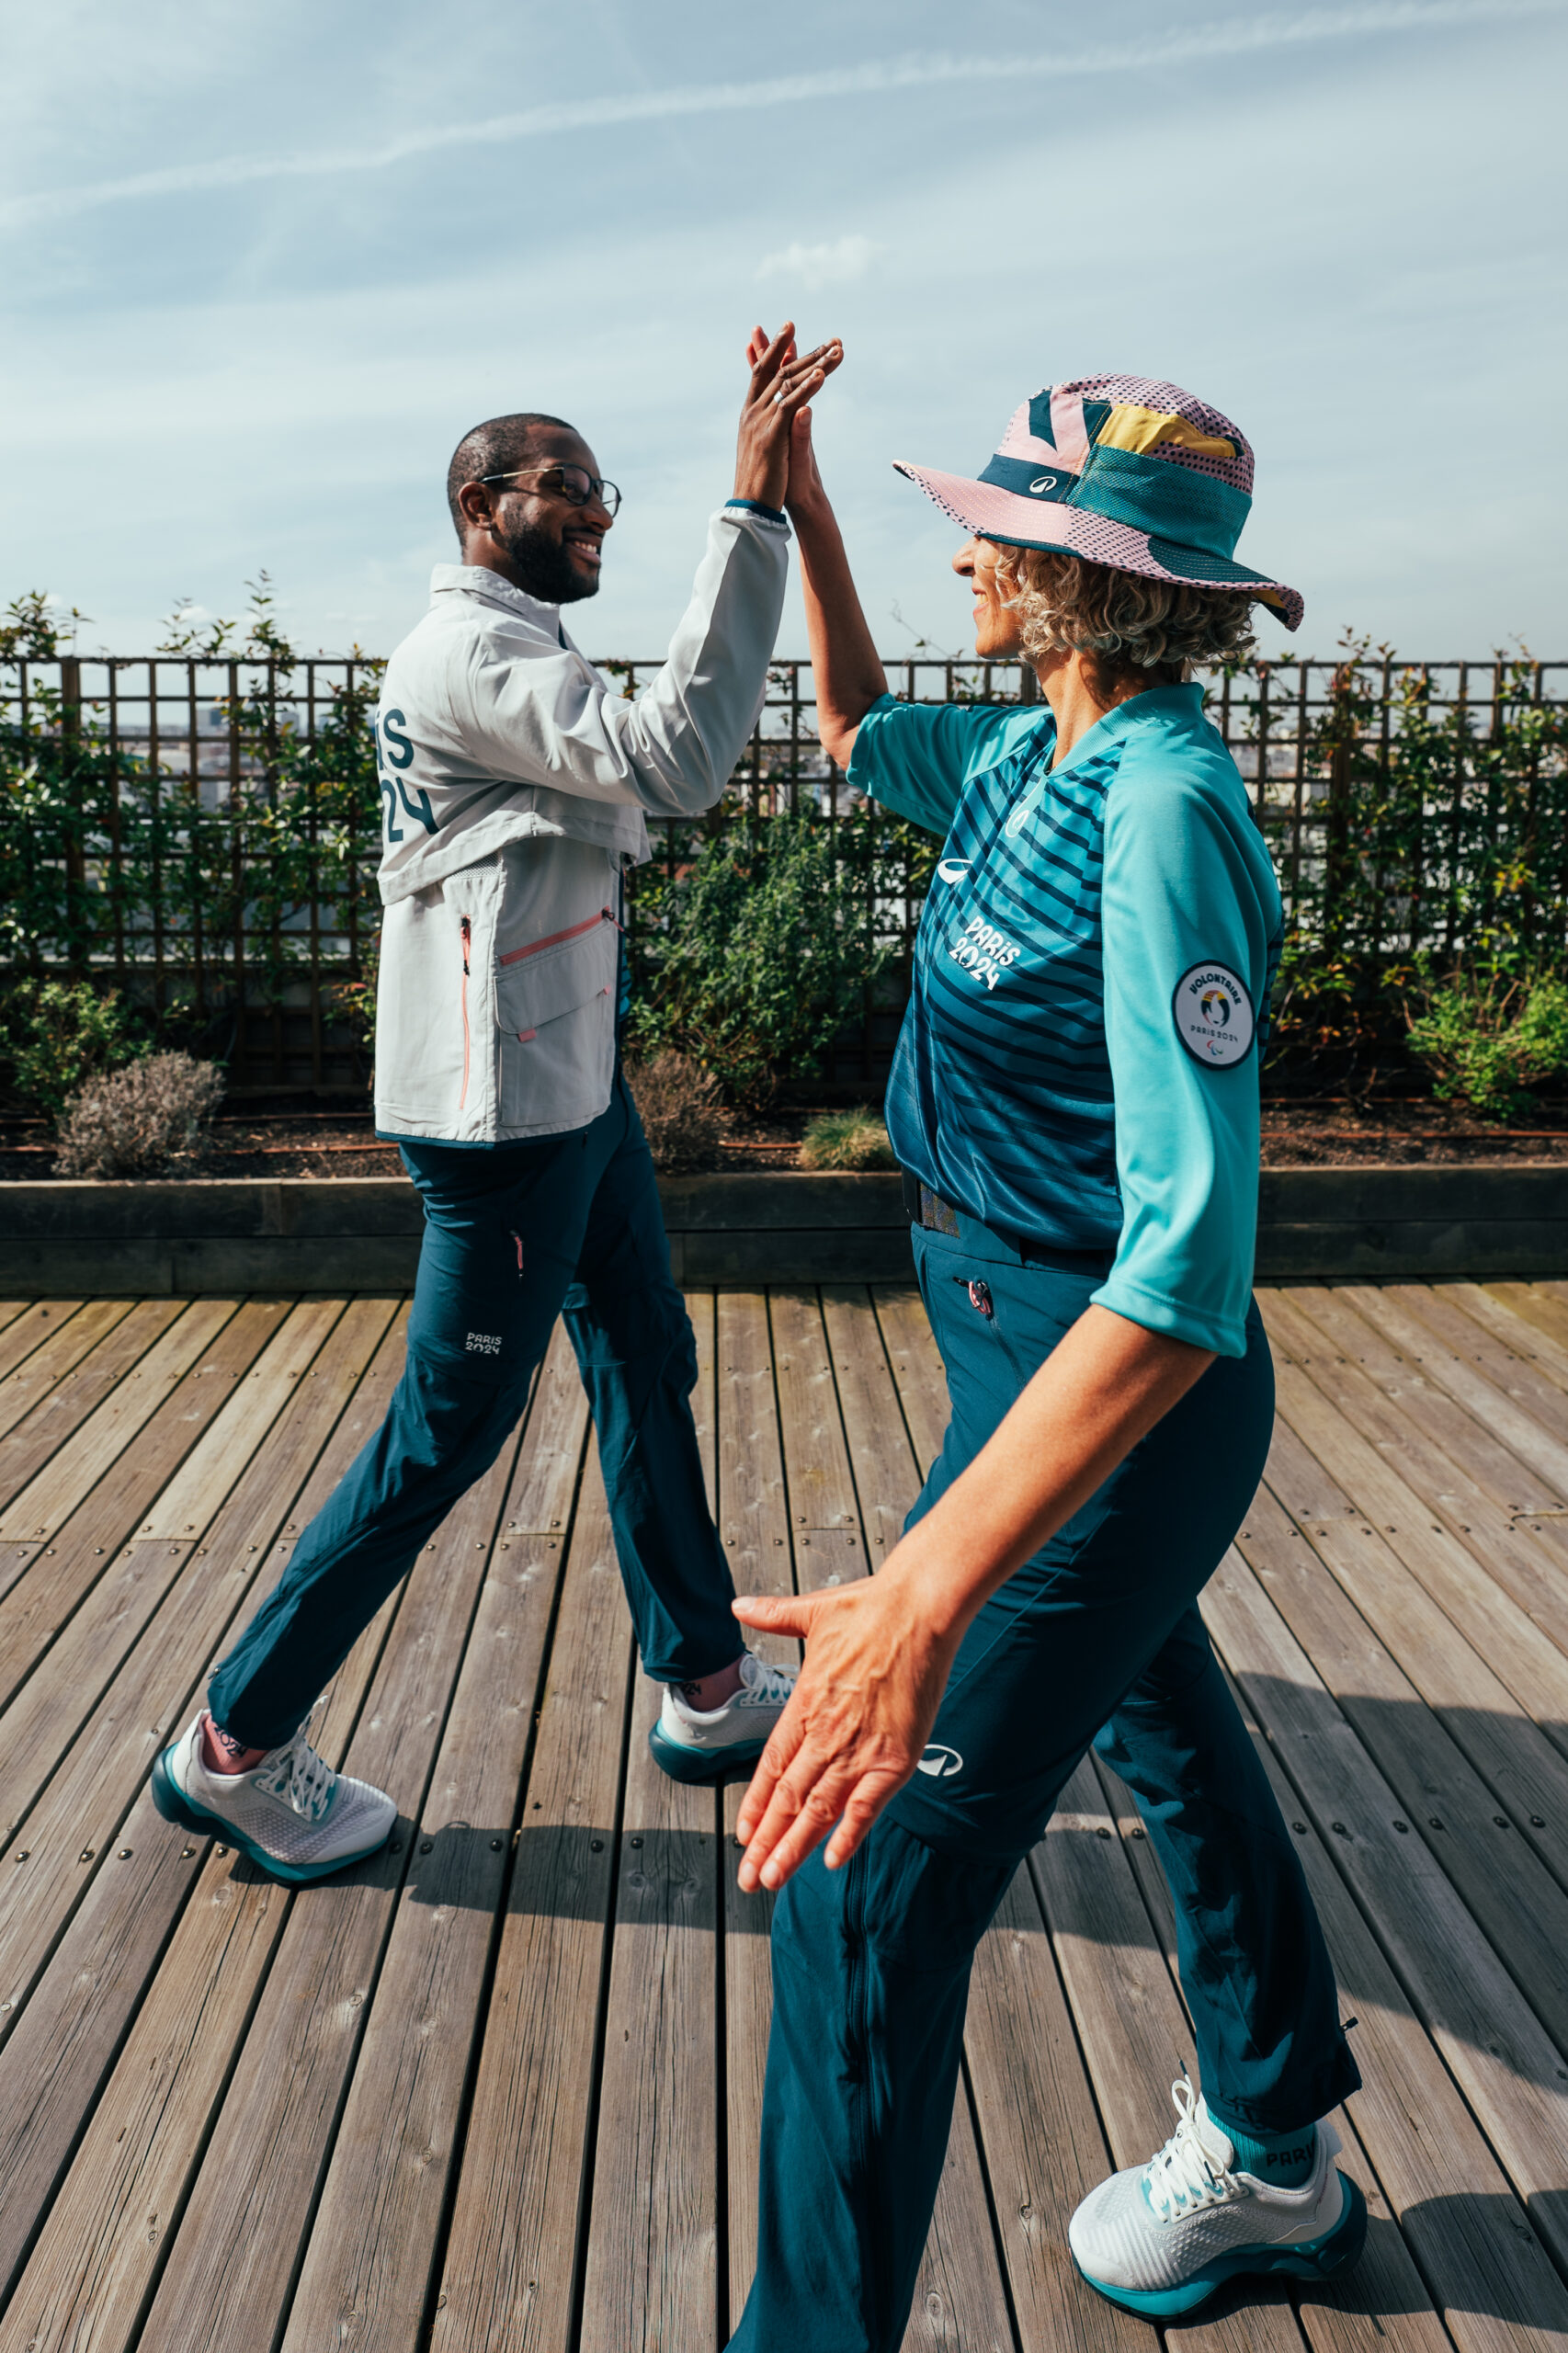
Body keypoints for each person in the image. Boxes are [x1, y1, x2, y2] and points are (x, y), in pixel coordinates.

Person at [724, 362, 1366, 2347]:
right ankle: (1273, 2140)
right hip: (997, 1333)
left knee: (854, 1882)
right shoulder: (1023, 759)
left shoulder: (1162, 807)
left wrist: (922, 1587)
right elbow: (852, 732)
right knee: (1159, 1721)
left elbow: (1184, 1272)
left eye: (993, 535)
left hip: (1113, 1394)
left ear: (1078, 575)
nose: (968, 560)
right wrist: (806, 514)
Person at [152, 324, 842, 1883]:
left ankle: (706, 1683)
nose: (595, 510)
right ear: (481, 504)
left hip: (569, 1091)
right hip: (503, 1120)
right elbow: (679, 761)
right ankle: (233, 1747)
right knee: (444, 1439)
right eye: (564, 486)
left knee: (643, 1360)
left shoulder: (519, 651)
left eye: (604, 490)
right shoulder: (470, 657)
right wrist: (753, 512)